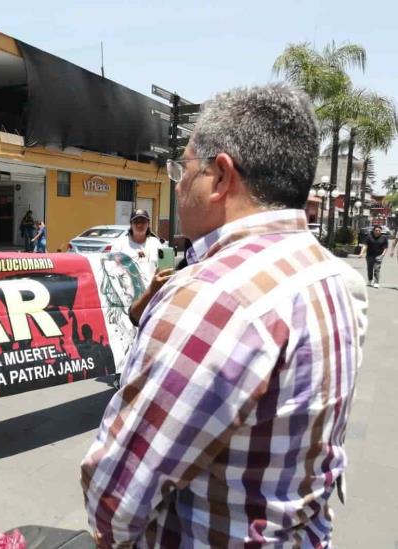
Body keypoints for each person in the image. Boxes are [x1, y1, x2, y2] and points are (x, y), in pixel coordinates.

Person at [81, 84, 368, 547]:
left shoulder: (211, 293)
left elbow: (117, 495)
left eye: (183, 169)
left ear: (220, 177)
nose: (177, 184)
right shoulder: (327, 273)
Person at [110, 209, 163, 276]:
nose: (139, 225)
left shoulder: (156, 243)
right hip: (128, 285)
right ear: (131, 225)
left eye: (143, 222)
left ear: (148, 224)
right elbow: (112, 266)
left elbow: (163, 264)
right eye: (136, 222)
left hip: (152, 285)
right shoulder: (119, 243)